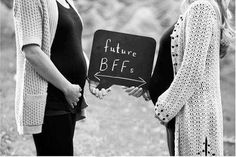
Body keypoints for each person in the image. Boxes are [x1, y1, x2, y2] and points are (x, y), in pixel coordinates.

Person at [125, 0, 234, 156]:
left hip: (192, 116)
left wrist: (164, 108)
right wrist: (149, 89)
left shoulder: (201, 8)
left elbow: (192, 70)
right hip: (184, 112)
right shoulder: (200, 7)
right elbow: (174, 65)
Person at [13, 0, 109, 155]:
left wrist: (91, 76)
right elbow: (31, 51)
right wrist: (67, 87)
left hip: (68, 98)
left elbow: (71, 44)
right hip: (49, 98)